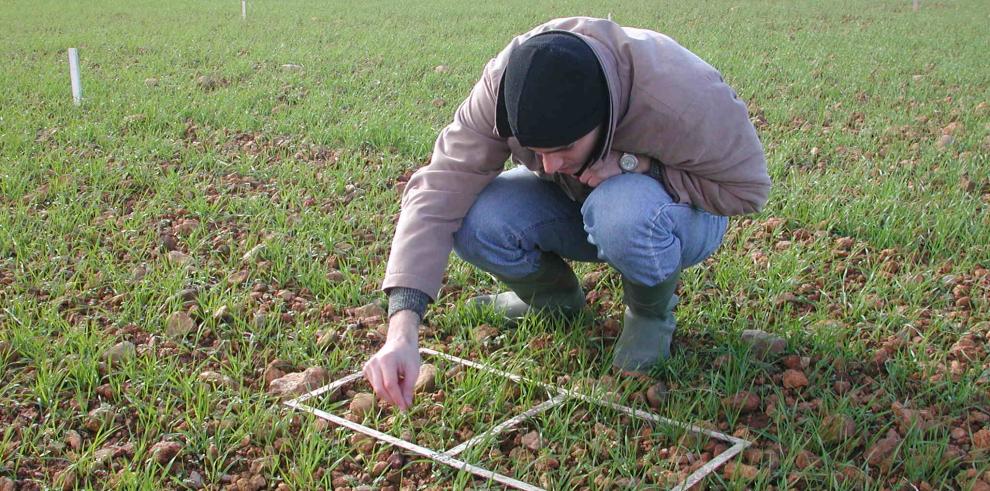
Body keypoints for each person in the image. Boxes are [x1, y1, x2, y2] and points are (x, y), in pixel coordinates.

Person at [363, 17, 771, 410]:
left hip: (677, 216)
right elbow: (438, 191)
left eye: (562, 150)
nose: (548, 164)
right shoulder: (506, 88)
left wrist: (641, 166)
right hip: (582, 202)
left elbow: (747, 191)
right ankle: (554, 301)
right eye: (537, 152)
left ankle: (649, 314)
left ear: (602, 120)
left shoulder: (678, 94)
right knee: (475, 216)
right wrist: (402, 329)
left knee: (622, 211)